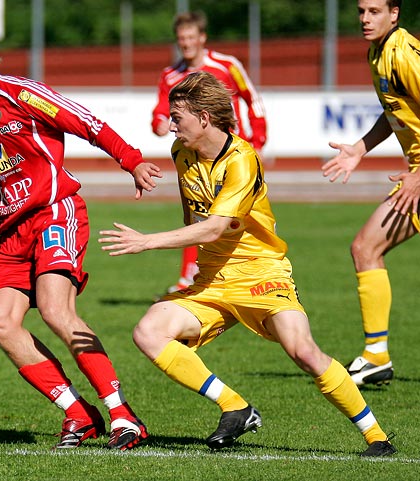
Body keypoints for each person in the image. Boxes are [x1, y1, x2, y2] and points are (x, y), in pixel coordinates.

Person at [99, 71, 396, 457]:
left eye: (178, 117)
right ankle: (235, 407)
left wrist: (147, 241)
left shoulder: (242, 160)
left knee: (303, 351)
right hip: (212, 280)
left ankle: (377, 437)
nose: (170, 126)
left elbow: (214, 228)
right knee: (149, 332)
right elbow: (195, 218)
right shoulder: (181, 153)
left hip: (261, 274)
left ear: (204, 118)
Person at [0, 13, 161, 450]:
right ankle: (79, 413)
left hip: (57, 213)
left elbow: (86, 122)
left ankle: (123, 415)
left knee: (56, 310)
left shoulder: (19, 93)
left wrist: (132, 161)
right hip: (14, 233)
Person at [322, 0, 419, 387]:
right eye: (361, 10)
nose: (365, 19)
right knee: (366, 248)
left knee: (366, 248)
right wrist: (360, 148)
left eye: (375, 11)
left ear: (394, 13)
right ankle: (376, 355)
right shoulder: (378, 53)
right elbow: (396, 111)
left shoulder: (403, 54)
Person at [151, 12, 268, 293]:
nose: (186, 44)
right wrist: (159, 124)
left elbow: (253, 100)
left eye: (191, 37)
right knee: (199, 213)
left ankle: (258, 273)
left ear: (202, 37)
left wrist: (259, 142)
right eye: (181, 39)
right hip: (199, 157)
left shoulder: (227, 65)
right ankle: (192, 278)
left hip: (233, 154)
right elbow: (159, 113)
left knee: (242, 218)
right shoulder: (171, 75)